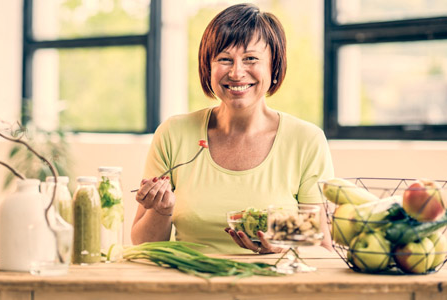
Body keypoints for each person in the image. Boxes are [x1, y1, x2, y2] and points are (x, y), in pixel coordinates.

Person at [131, 3, 334, 254]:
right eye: (224, 59)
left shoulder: (306, 140)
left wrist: (280, 248)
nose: (237, 72)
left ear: (274, 67)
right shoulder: (174, 133)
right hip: (189, 286)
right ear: (209, 68)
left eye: (251, 58)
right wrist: (162, 211)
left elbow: (322, 246)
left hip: (270, 288)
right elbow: (143, 245)